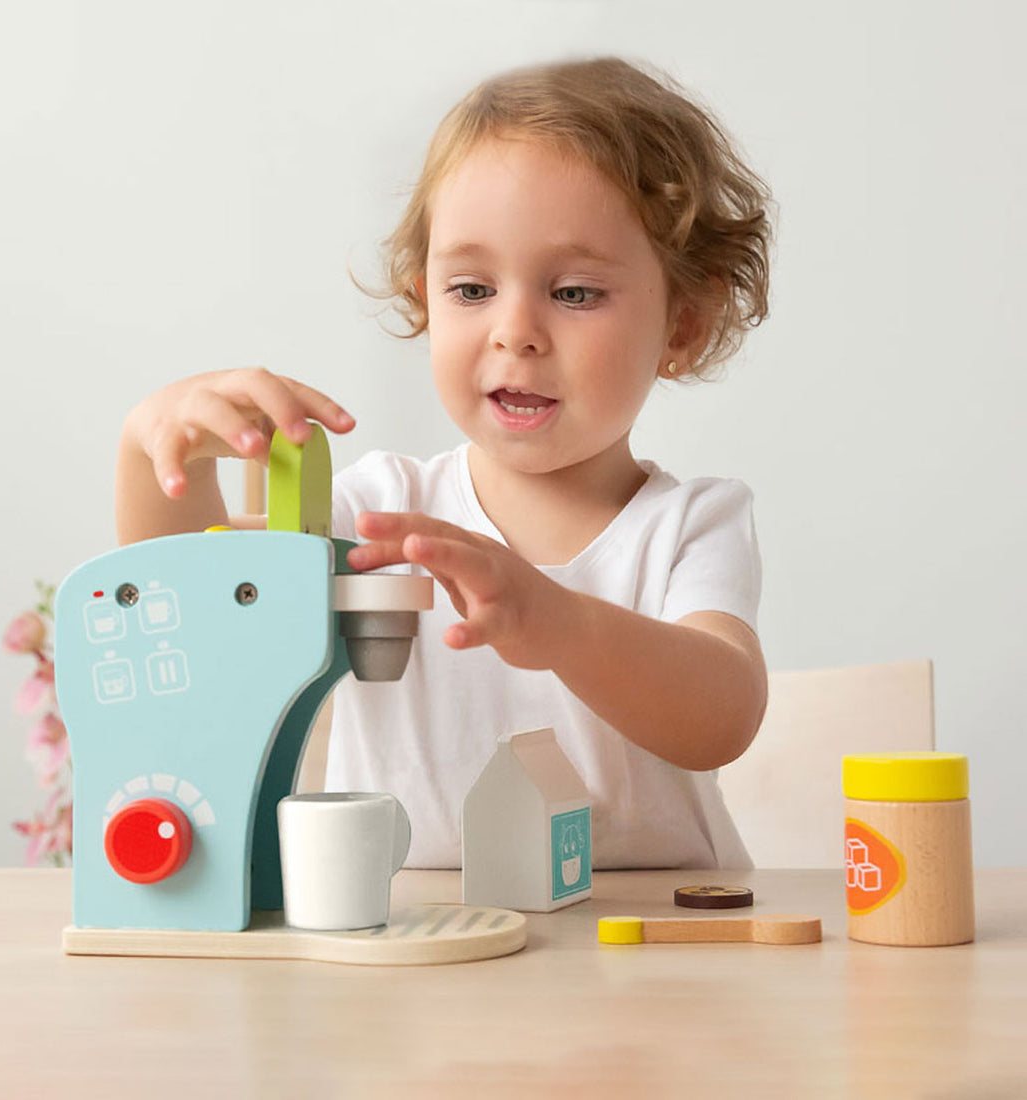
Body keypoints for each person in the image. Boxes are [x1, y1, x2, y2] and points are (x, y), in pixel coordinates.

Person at [115, 57, 774, 869]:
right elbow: (193, 621)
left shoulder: (689, 524)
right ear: (423, 298)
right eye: (470, 288)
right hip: (415, 945)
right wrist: (153, 458)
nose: (515, 330)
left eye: (573, 293)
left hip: (650, 946)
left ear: (684, 326)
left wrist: (557, 621)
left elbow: (721, 718)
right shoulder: (378, 511)